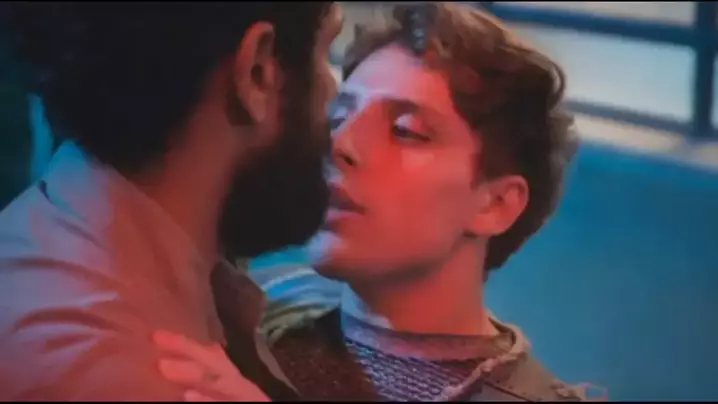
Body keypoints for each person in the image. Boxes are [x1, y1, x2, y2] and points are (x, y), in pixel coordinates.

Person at [155, 2, 604, 401]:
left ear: (496, 204)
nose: (340, 145)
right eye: (339, 117)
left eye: (405, 131)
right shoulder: (245, 320)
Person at [0, 2, 342, 401]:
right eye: (325, 52)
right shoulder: (129, 373)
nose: (335, 91)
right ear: (258, 71)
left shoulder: (58, 233)